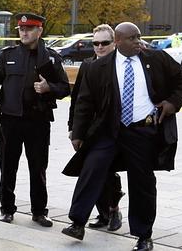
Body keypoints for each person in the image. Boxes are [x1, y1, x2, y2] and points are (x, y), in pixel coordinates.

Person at [62, 22, 182, 251]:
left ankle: (143, 236)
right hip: (109, 130)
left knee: (143, 182)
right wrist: (78, 133)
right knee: (91, 168)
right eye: (132, 38)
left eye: (139, 37)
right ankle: (77, 222)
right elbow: (84, 102)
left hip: (142, 131)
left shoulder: (156, 59)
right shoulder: (99, 67)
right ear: (119, 42)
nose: (138, 42)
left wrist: (172, 103)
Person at [0, 12, 70, 228]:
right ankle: (7, 209)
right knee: (7, 167)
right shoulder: (8, 55)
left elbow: (64, 88)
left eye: (29, 29)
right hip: (10, 121)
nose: (24, 32)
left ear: (40, 31)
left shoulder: (51, 58)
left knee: (38, 168)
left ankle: (39, 211)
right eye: (21, 29)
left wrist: (48, 88)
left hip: (38, 121)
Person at [67, 24, 125, 232]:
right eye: (95, 43)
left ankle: (113, 209)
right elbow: (78, 100)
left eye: (104, 43)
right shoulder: (88, 65)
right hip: (93, 131)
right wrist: (73, 128)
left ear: (114, 43)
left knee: (106, 172)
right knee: (94, 170)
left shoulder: (121, 65)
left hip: (117, 130)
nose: (99, 47)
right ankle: (104, 213)